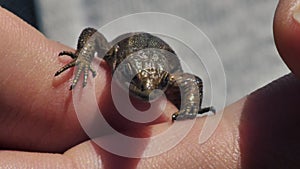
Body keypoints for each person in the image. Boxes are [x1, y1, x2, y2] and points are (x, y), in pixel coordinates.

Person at [1, 0, 300, 167]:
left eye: (152, 86)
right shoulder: (116, 54)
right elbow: (92, 34)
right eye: (134, 80)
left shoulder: (162, 81)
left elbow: (189, 81)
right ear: (119, 65)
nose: (145, 90)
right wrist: (82, 60)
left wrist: (186, 115)